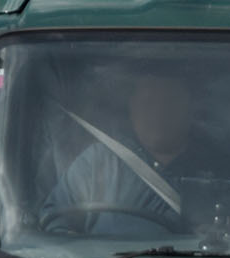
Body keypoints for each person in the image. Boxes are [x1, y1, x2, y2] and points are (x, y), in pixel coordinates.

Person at [42, 72, 206, 235]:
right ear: (131, 109)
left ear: (190, 109)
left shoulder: (220, 169)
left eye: (170, 102)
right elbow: (54, 224)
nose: (159, 112)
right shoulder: (97, 163)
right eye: (148, 102)